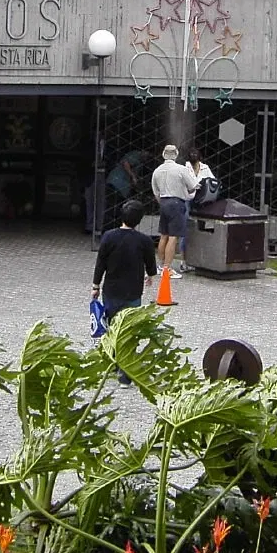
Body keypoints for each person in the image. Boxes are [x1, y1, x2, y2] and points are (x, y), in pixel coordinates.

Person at [91, 199, 158, 381]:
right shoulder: (144, 241)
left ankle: (111, 362)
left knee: (112, 327)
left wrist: (95, 285)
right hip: (133, 292)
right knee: (129, 331)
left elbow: (101, 263)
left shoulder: (109, 237)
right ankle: (125, 373)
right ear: (139, 220)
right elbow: (151, 265)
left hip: (111, 291)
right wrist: (150, 275)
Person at [150, 144, 198, 278]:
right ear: (176, 154)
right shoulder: (181, 169)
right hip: (177, 203)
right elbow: (193, 186)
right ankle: (167, 268)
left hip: (164, 202)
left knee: (164, 235)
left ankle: (160, 265)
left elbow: (155, 192)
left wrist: (162, 202)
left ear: (163, 154)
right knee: (173, 237)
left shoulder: (157, 171)